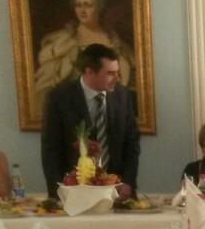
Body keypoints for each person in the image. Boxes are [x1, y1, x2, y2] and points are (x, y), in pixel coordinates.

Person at [41, 44, 140, 198]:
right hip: (75, 192)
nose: (117, 78)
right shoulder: (59, 98)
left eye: (117, 72)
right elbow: (51, 150)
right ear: (89, 72)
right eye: (110, 73)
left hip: (118, 191)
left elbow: (132, 144)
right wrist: (58, 194)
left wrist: (128, 182)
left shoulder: (123, 96)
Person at [34, 0, 135, 110]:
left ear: (99, 7)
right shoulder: (63, 42)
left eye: (88, 5)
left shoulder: (115, 43)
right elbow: (45, 86)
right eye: (78, 5)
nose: (82, 10)